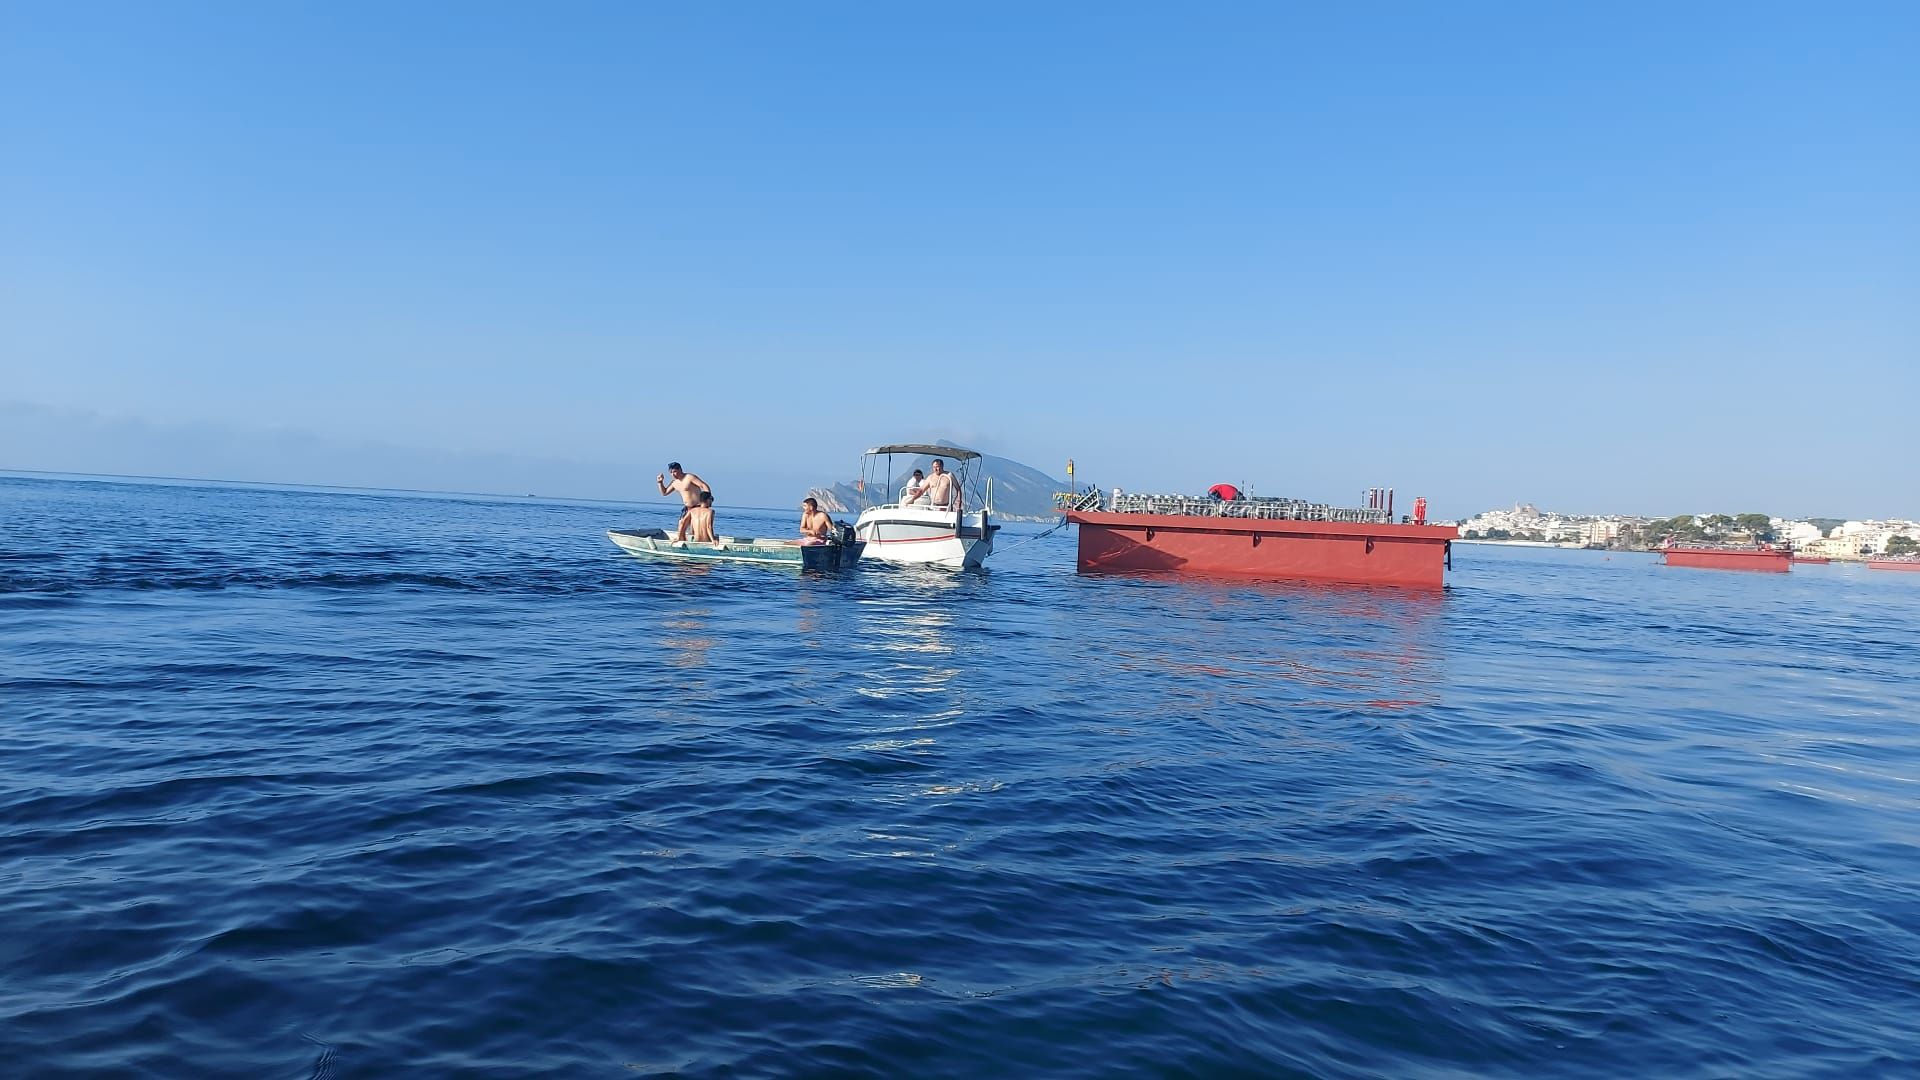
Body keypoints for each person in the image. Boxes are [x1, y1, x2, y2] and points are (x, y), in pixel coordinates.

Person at [656, 461, 711, 537]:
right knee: (681, 524)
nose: (673, 474)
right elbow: (664, 493)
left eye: (675, 471)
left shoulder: (689, 477)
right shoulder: (674, 483)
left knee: (694, 528)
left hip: (698, 506)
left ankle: (698, 540)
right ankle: (680, 541)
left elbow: (703, 485)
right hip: (687, 508)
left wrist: (707, 499)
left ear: (680, 469)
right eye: (671, 472)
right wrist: (660, 482)